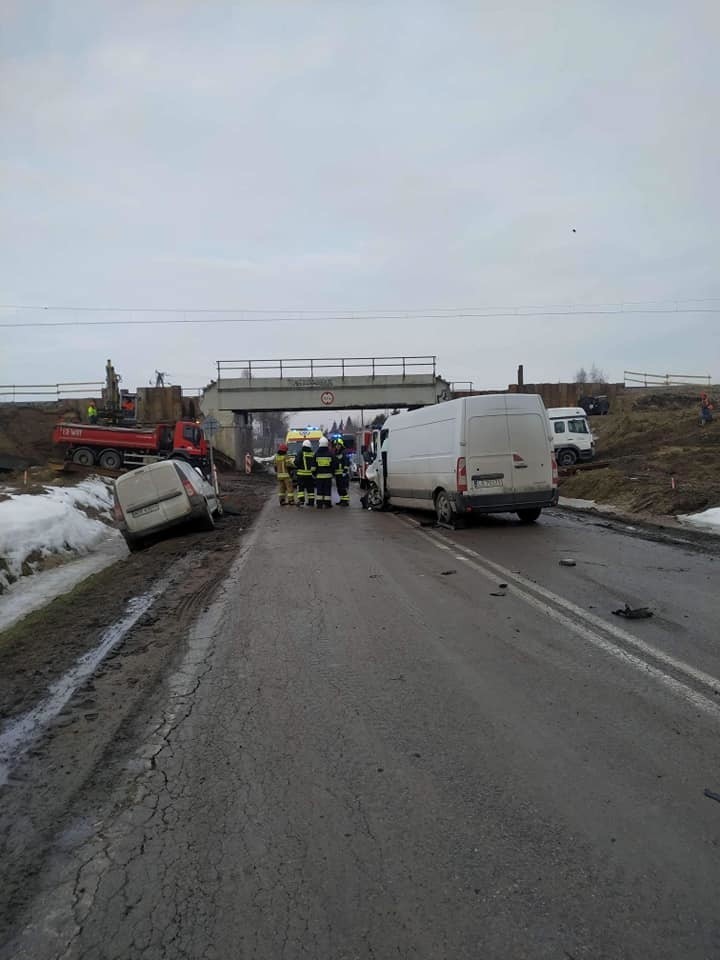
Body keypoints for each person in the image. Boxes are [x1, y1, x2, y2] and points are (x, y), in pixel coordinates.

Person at [313, 436, 336, 509]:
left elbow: (313, 466)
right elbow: (334, 465)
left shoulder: (316, 454)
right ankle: (327, 504)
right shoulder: (330, 454)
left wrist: (314, 474)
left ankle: (319, 504)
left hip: (319, 477)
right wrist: (333, 473)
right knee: (327, 491)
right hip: (328, 477)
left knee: (319, 491)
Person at [294, 439, 316, 507]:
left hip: (301, 474)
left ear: (303, 445)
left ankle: (301, 501)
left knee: (301, 488)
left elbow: (296, 462)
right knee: (310, 488)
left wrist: (297, 465)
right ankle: (311, 502)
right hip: (310, 475)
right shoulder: (312, 453)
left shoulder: (300, 452)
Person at [333, 437, 351, 507]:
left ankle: (345, 501)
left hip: (343, 474)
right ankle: (341, 500)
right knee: (339, 488)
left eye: (338, 445)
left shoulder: (344, 452)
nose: (337, 446)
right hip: (338, 474)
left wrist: (345, 470)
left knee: (343, 488)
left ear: (341, 445)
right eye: (336, 445)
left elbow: (347, 462)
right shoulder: (336, 452)